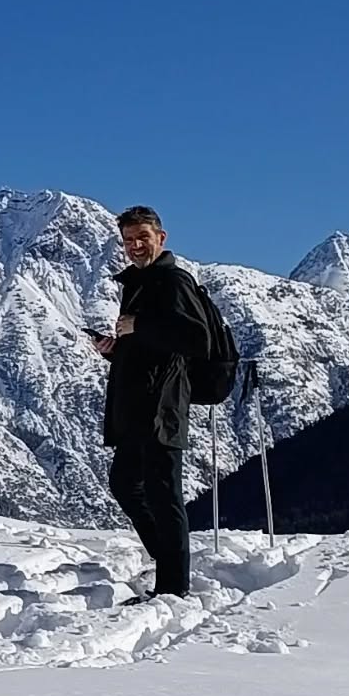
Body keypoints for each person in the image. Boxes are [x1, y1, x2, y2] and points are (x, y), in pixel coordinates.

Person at [89, 205, 210, 599]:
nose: (136, 246)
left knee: (162, 492)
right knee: (125, 484)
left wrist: (138, 326)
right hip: (136, 403)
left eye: (143, 237)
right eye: (128, 240)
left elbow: (197, 340)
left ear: (162, 237)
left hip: (162, 405)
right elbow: (152, 346)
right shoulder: (139, 282)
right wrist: (114, 349)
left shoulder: (173, 281)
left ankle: (174, 588)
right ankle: (169, 558)